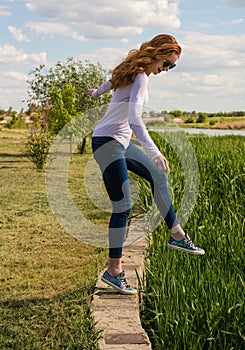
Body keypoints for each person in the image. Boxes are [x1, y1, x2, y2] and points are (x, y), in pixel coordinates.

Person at [86, 34, 205, 295]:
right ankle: (113, 271)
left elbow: (110, 82)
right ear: (156, 54)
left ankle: (177, 235)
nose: (166, 70)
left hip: (118, 142)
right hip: (108, 144)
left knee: (157, 176)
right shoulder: (139, 77)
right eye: (166, 63)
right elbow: (135, 120)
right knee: (123, 206)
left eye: (171, 66)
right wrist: (154, 151)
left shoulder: (132, 72)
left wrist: (96, 93)